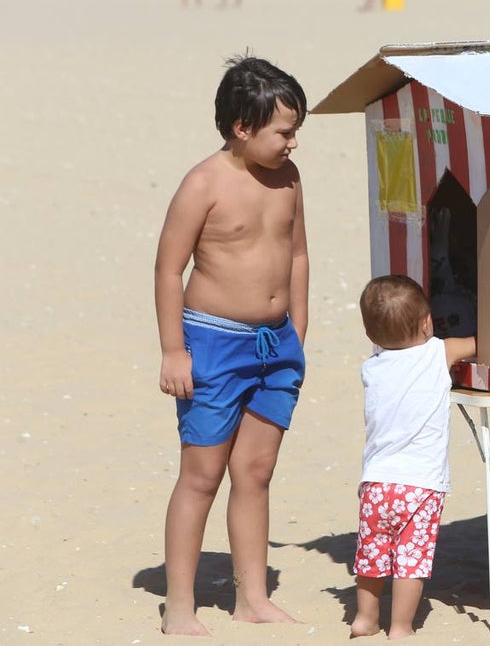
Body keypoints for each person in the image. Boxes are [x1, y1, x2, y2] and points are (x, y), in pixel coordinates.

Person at [154, 56, 309, 636]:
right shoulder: (204, 183)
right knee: (202, 473)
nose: (293, 143)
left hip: (277, 346)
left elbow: (296, 254)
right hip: (213, 343)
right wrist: (174, 350)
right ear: (242, 127)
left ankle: (253, 597)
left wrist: (299, 329)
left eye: (296, 131)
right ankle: (180, 605)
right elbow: (170, 269)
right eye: (284, 132)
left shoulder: (289, 179)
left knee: (256, 470)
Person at [351, 275, 476, 638]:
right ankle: (401, 626)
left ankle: (365, 618)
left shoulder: (372, 367)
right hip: (419, 485)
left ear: (371, 335)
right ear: (426, 323)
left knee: (372, 554)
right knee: (410, 560)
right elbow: (479, 343)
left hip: (376, 483)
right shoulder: (440, 352)